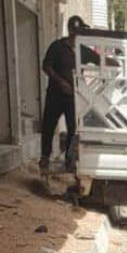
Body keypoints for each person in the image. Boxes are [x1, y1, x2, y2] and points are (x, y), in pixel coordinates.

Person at [39, 15, 100, 175]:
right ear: (72, 30)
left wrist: (117, 63)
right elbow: (46, 66)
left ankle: (69, 161)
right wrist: (61, 82)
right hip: (55, 95)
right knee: (48, 126)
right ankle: (44, 158)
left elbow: (99, 60)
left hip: (73, 97)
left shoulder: (82, 50)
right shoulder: (57, 47)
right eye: (79, 31)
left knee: (73, 128)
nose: (81, 34)